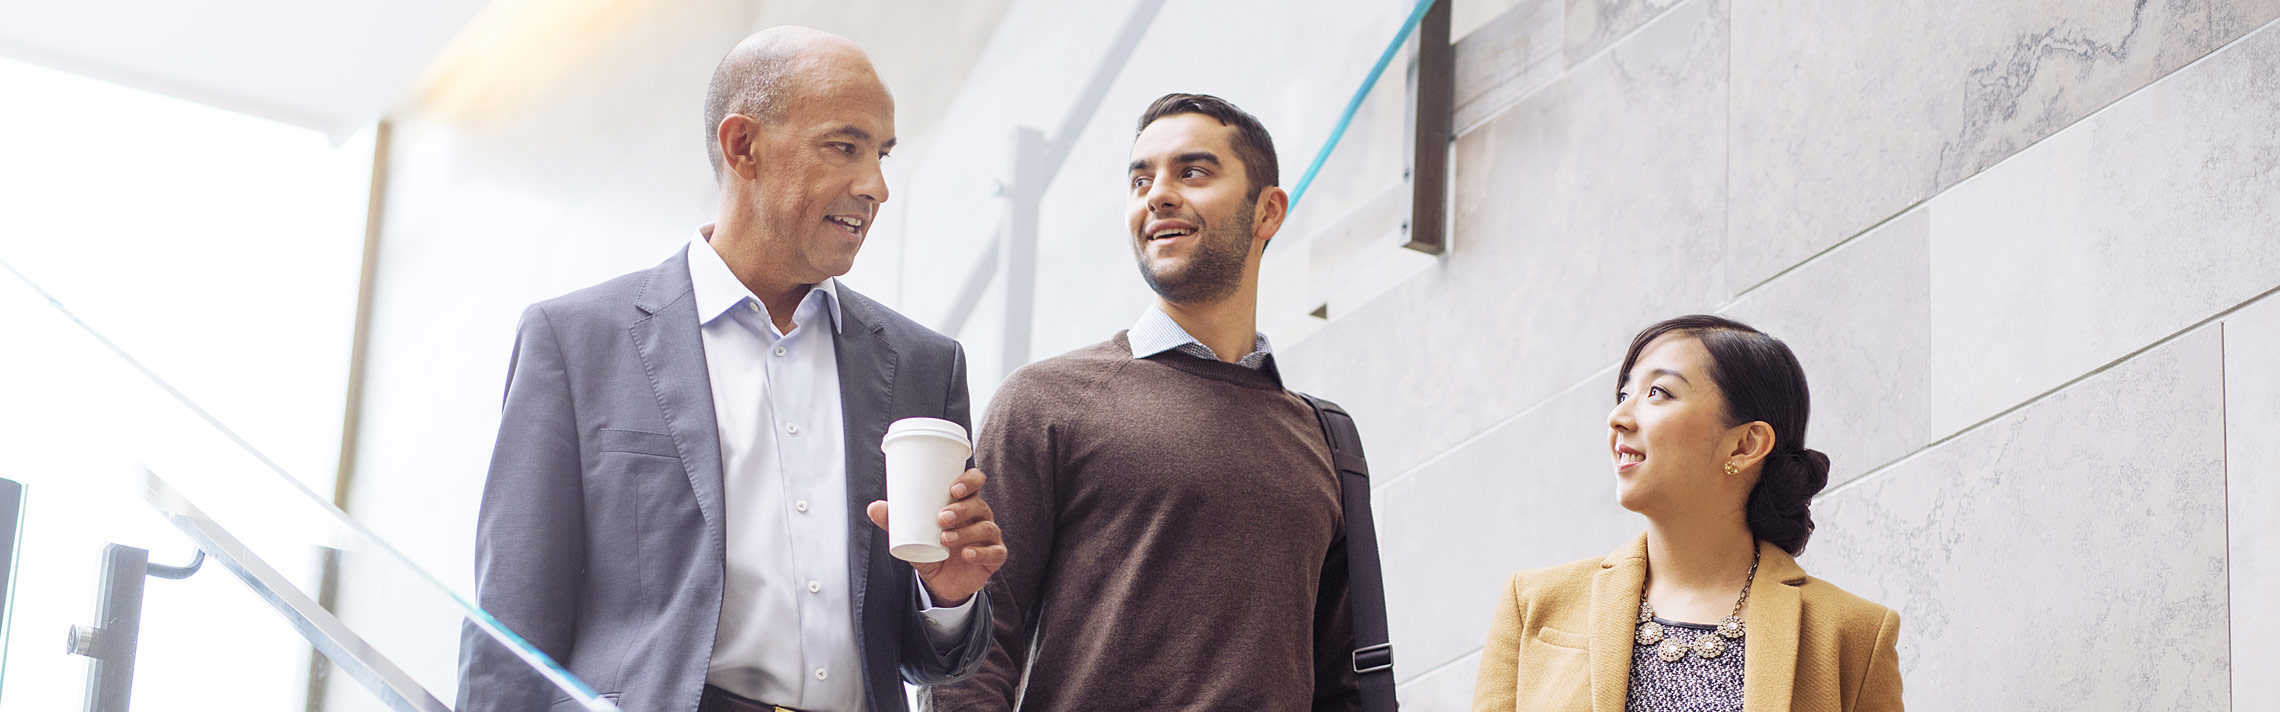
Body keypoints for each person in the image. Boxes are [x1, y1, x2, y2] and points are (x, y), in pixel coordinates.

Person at [457, 27, 1007, 712]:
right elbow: (511, 629)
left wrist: (948, 595)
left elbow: (933, 661)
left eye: (883, 154)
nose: (876, 186)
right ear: (742, 146)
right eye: (845, 146)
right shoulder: (576, 342)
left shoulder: (926, 366)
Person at [927, 93, 1372, 711]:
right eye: (1141, 179)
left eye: (1192, 172)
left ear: (1267, 212)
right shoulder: (1046, 403)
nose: (1157, 194)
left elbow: (1343, 684)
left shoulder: (1324, 440)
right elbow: (975, 652)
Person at [1472, 315, 1903, 711]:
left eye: (1657, 392)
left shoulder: (1852, 635)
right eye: (1624, 394)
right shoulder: (1534, 606)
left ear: (1745, 445)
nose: (1618, 417)